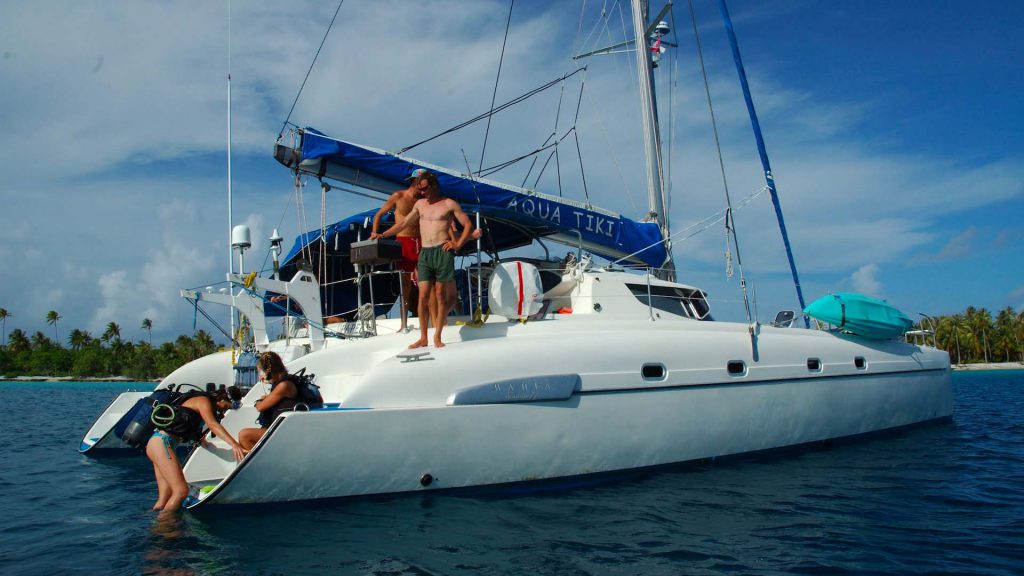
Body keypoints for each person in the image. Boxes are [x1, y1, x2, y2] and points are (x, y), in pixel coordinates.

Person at [374, 170, 474, 348]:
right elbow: (403, 223)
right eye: (420, 189)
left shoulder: (449, 204)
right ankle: (423, 337)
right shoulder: (419, 204)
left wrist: (457, 244)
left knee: (439, 294)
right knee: (422, 296)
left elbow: (467, 225)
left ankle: (437, 335)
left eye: (425, 188)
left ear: (434, 186)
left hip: (442, 251)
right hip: (425, 252)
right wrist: (383, 234)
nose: (422, 192)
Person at [147, 387, 245, 515]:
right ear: (221, 399)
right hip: (162, 444)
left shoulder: (200, 402)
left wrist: (199, 438)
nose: (225, 410)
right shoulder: (203, 401)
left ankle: (154, 524)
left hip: (157, 443)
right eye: (227, 406)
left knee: (164, 497)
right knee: (181, 491)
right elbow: (213, 425)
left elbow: (186, 422)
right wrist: (235, 444)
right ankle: (165, 527)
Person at [371, 168, 430, 332]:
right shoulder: (399, 196)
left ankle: (432, 318)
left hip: (423, 242)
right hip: (404, 242)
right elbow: (379, 214)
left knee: (428, 283)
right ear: (414, 181)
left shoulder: (425, 200)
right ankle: (404, 324)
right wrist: (375, 232)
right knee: (405, 286)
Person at [238, 351, 299, 450]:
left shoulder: (284, 386)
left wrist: (258, 402)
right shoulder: (284, 381)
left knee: (244, 435)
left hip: (285, 432)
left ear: (268, 371)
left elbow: (260, 407)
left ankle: (256, 464)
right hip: (280, 429)